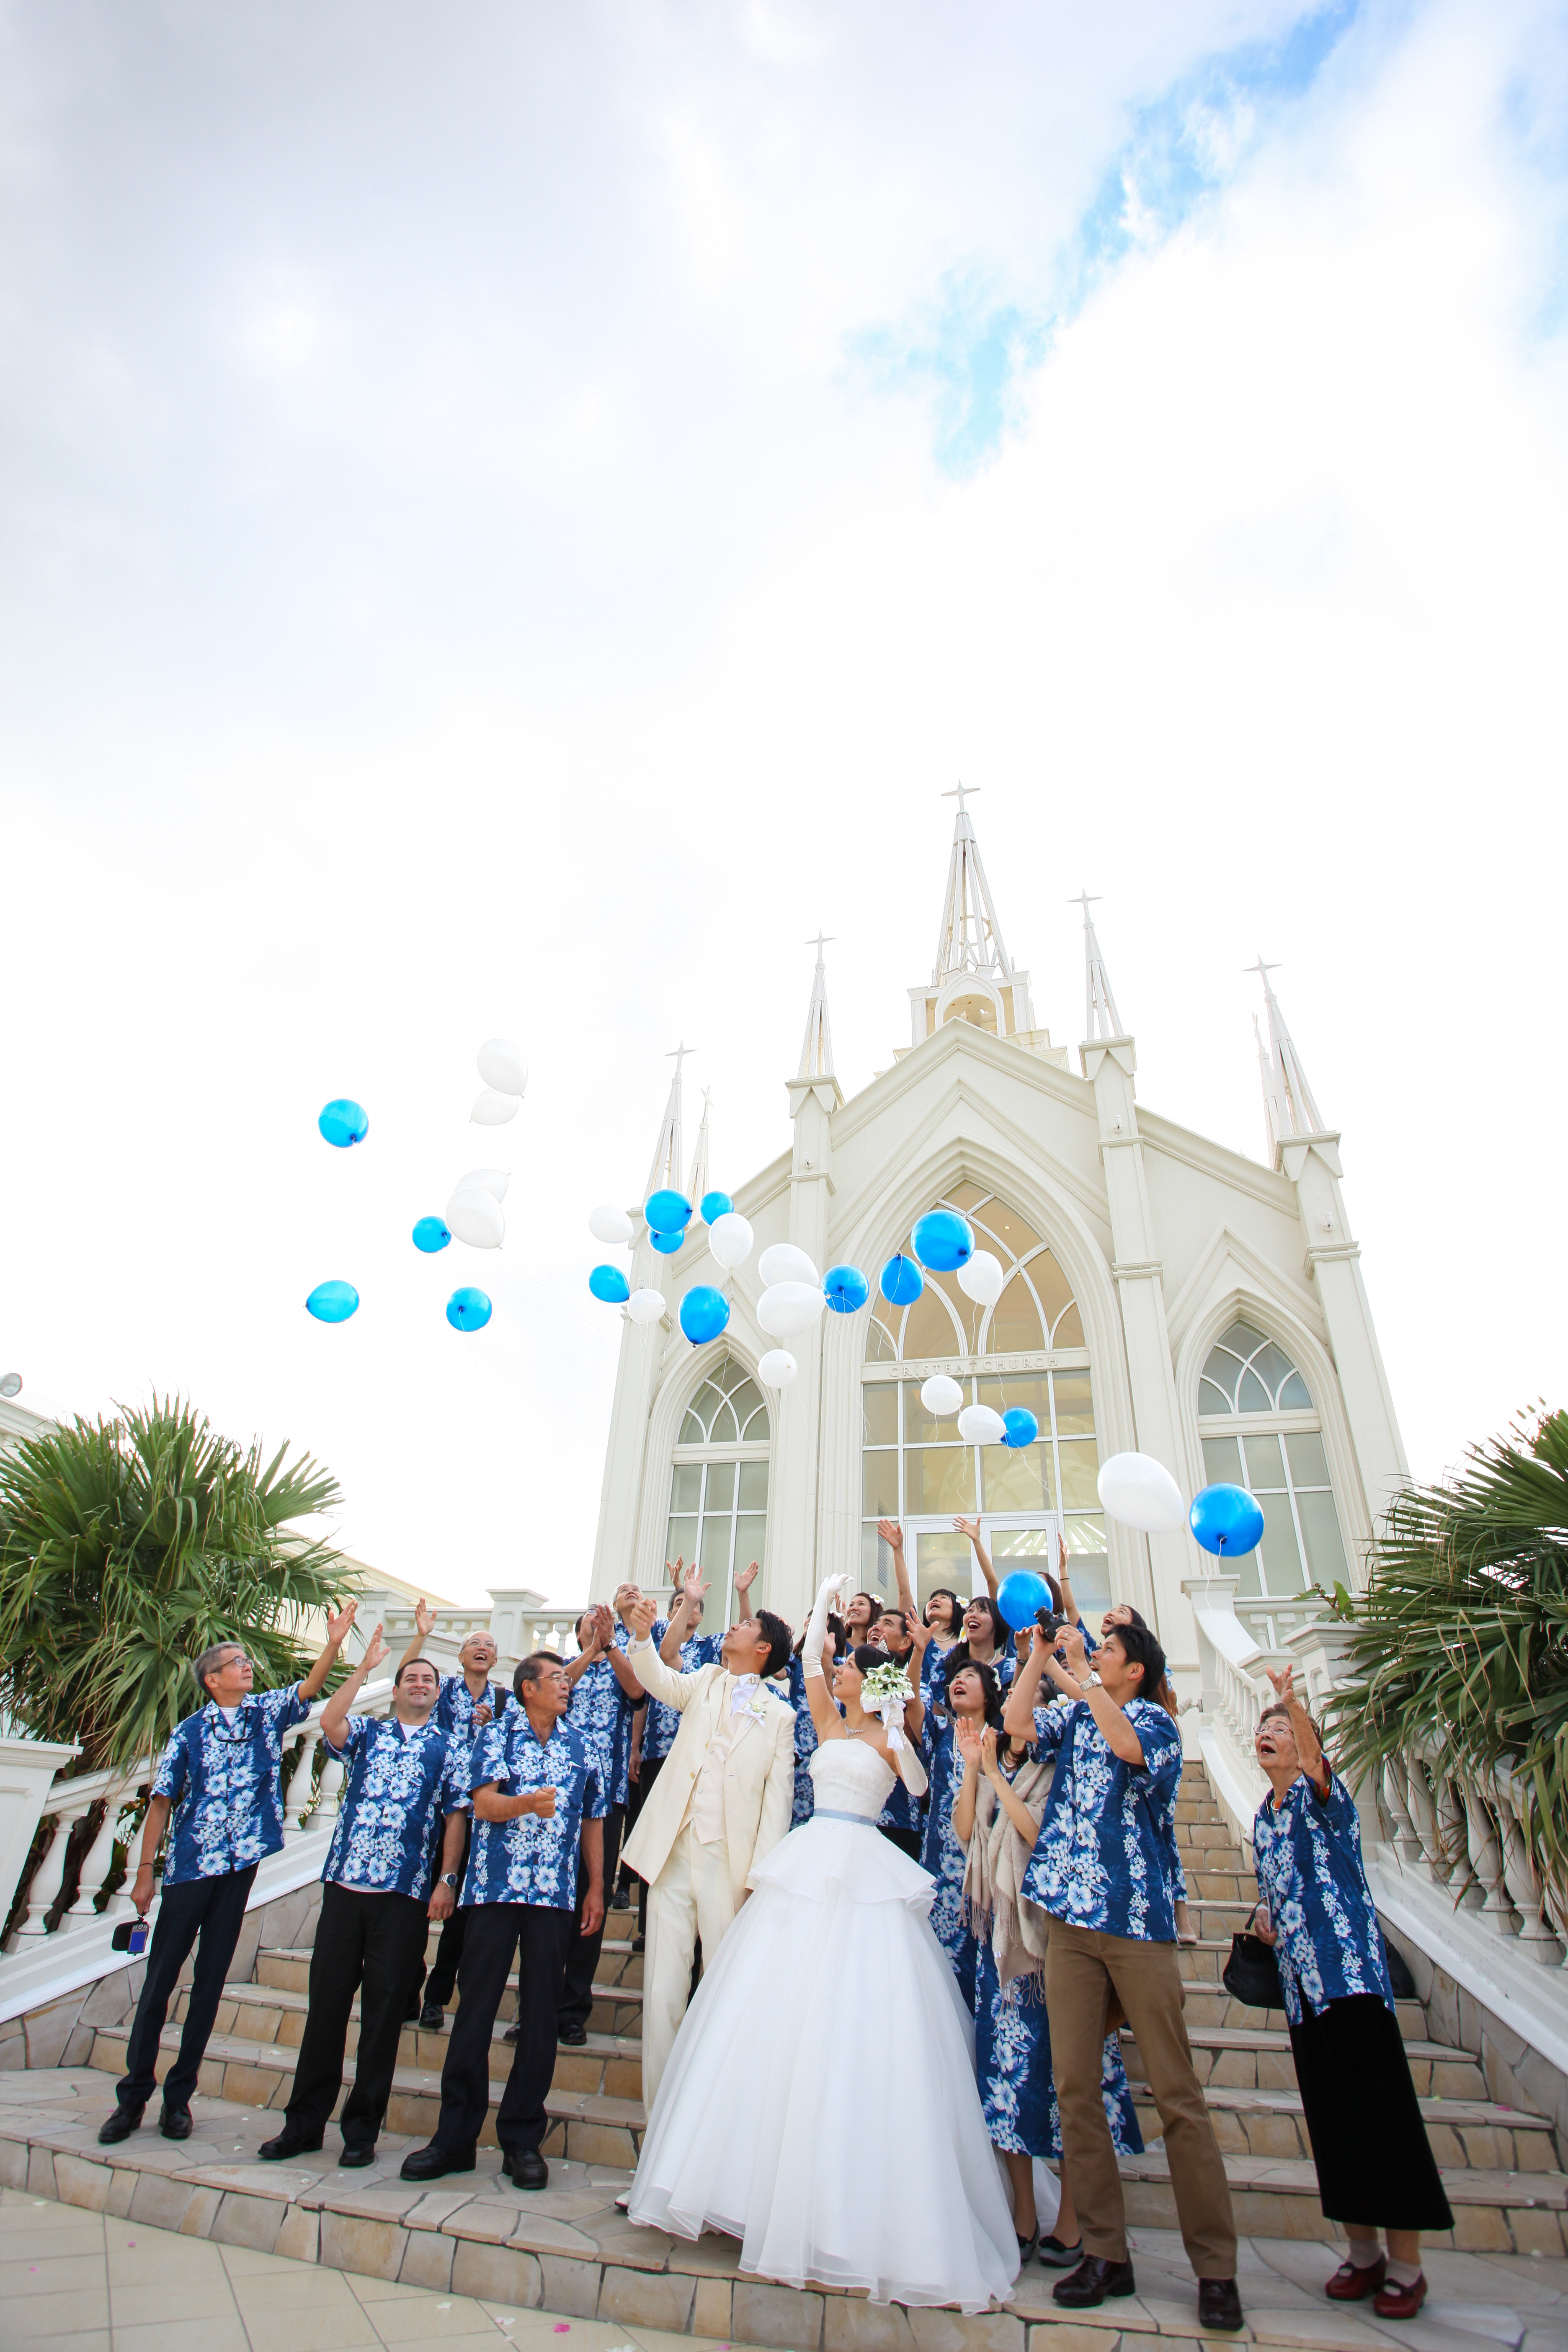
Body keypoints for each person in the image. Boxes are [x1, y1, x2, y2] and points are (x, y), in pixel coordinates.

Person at [625, 1575, 1020, 2313]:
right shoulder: (825, 1723)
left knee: (848, 2019)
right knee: (765, 2015)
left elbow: (919, 1787)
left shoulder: (886, 1737)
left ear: (867, 1685)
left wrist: (902, 1724)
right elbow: (807, 1663)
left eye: (848, 1672)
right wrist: (825, 1608)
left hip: (861, 1866)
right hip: (808, 1863)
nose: (835, 1676)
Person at [1004, 1622, 1243, 2332]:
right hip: (1068, 1922)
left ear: (1133, 1670)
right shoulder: (1073, 1709)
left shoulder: (1151, 1718)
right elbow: (1016, 1722)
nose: (1095, 1652)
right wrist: (1040, 1658)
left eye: (1107, 1649)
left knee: (1176, 2093)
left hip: (1136, 1921)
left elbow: (1128, 1750)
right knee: (1074, 2088)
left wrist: (1081, 1678)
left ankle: (1214, 2267)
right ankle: (1105, 2252)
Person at [98, 1603, 359, 2146]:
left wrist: (333, 1643)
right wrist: (145, 1874)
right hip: (192, 1869)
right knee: (159, 1985)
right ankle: (133, 2097)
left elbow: (310, 1688)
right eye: (236, 1663)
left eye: (246, 1662)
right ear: (213, 1679)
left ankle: (178, 2100)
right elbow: (162, 1803)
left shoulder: (266, 1713)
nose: (247, 1667)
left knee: (210, 1986)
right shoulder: (190, 1732)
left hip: (240, 1869)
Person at [1251, 1668, 1452, 2320]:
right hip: (1305, 1993)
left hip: (1353, 1983)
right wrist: (1266, 1923)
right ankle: (1362, 2253)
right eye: (1265, 1730)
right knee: (1334, 2124)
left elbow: (1315, 1762)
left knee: (1382, 2122)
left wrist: (1294, 1704)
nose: (1270, 1736)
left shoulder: (1322, 1803)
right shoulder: (1264, 1819)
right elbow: (1278, 1892)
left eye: (1279, 1732)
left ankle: (1408, 2265)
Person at [258, 1630, 470, 2166]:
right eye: (411, 1678)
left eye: (429, 1680)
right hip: (345, 1888)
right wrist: (364, 1669)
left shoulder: (449, 1749)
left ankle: (361, 2132)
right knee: (325, 2010)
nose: (420, 1685)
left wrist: (446, 1880)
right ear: (396, 1689)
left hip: (403, 1896)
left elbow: (454, 1818)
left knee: (380, 2020)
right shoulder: (371, 1734)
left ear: (437, 1694)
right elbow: (330, 1723)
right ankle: (303, 2124)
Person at [400, 1650, 606, 2191]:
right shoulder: (495, 1736)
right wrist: (525, 1805)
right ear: (528, 1690)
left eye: (567, 1679)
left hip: (554, 1897)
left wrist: (598, 1888)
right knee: (476, 2012)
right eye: (556, 1679)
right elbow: (484, 1806)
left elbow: (593, 1820)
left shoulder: (582, 1745)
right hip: (493, 1891)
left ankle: (522, 2141)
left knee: (540, 2018)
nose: (566, 1686)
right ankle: (454, 2138)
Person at [954, 1712, 1142, 2268]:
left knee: (1070, 2079)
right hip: (1002, 1945)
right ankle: (1023, 2215)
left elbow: (1039, 1833)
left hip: (1054, 1940)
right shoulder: (998, 1763)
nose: (1020, 1722)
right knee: (1007, 2080)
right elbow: (969, 1831)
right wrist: (978, 1770)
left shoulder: (1060, 1769)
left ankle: (1073, 2219)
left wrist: (998, 1775)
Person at [616, 1584, 797, 2109]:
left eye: (744, 1626)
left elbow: (776, 1807)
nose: (733, 1627)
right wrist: (643, 1637)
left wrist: (756, 1883)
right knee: (662, 1997)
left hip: (730, 1867)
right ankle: (659, 2144)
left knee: (724, 1996)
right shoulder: (707, 1680)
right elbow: (657, 1680)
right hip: (673, 1854)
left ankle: (714, 2128)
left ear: (763, 1649)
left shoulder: (780, 1716)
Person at [399, 1609, 516, 2031]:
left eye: (489, 1646)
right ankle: (409, 1989)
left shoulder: (504, 1701)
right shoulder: (444, 1688)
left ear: (496, 1660)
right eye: (475, 1644)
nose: (482, 1649)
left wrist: (495, 1726)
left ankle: (437, 1998)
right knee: (415, 1902)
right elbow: (404, 1677)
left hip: (476, 1816)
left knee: (460, 1914)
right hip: (432, 1809)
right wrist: (420, 1637)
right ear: (462, 1656)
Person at [905, 1612, 988, 2007]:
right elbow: (912, 1704)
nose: (959, 1680)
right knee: (936, 1972)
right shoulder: (940, 1734)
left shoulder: (1003, 1742)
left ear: (989, 1695)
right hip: (939, 1863)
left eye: (970, 1677)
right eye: (956, 1677)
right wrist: (920, 1653)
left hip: (985, 1868)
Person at [871, 1604, 925, 1859]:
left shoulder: (918, 1687)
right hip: (856, 1810)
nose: (877, 1628)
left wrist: (920, 1651)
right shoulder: (851, 1678)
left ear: (906, 1641)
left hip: (898, 1815)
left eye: (887, 1625)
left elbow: (912, 1707)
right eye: (877, 1623)